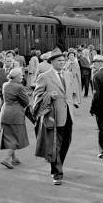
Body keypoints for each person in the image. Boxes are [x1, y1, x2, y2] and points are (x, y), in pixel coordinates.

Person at [33, 50, 80, 185]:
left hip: (69, 116)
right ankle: (57, 172)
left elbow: (73, 92)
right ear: (52, 62)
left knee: (66, 143)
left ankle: (58, 165)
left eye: (63, 60)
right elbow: (36, 96)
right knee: (55, 145)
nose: (62, 63)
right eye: (59, 61)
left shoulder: (68, 74)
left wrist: (74, 102)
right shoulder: (44, 76)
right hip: (54, 116)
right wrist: (48, 96)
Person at [0, 67, 30, 169]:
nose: (22, 77)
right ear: (15, 77)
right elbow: (26, 102)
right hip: (16, 115)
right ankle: (6, 159)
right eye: (21, 75)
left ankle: (14, 158)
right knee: (16, 138)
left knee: (9, 136)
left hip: (5, 113)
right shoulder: (19, 87)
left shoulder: (5, 85)